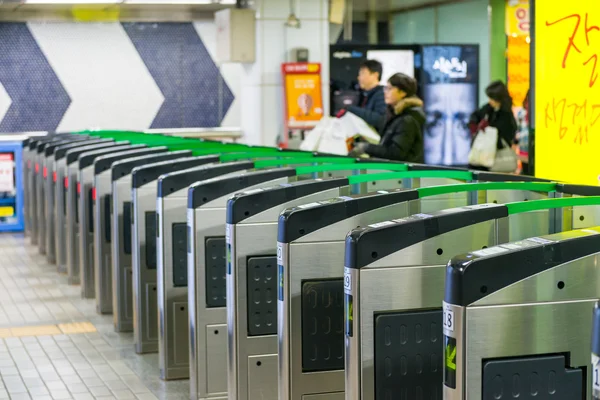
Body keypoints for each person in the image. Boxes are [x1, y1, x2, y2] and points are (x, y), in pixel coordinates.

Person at [349, 73, 425, 163]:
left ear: (403, 93)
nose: (385, 92)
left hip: (404, 175)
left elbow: (396, 153)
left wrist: (367, 147)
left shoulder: (407, 119)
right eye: (385, 88)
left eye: (389, 88)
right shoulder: (395, 115)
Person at [468, 80, 518, 170]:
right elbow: (476, 115)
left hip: (496, 156)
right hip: (484, 155)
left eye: (492, 98)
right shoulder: (488, 108)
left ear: (499, 98)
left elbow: (508, 134)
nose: (490, 101)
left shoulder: (506, 115)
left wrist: (491, 132)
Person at [338, 60, 386, 127]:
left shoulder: (382, 94)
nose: (359, 77)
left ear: (375, 75)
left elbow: (379, 119)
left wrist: (351, 108)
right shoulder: (365, 95)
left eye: (362, 73)